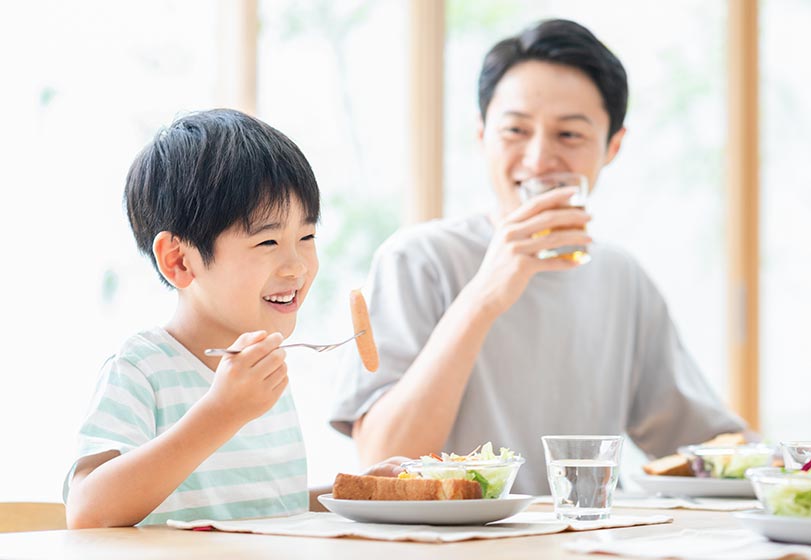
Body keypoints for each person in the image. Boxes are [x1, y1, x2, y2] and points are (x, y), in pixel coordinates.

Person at [329, 19, 746, 495]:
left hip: (589, 543)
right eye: (515, 130)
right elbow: (381, 458)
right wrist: (485, 294)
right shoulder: (418, 259)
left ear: (612, 147)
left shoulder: (621, 278)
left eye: (569, 135)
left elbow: (705, 445)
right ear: (482, 135)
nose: (538, 158)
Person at [64, 109, 404, 528]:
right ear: (179, 261)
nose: (296, 267)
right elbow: (86, 511)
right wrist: (221, 412)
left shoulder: (262, 374)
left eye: (307, 237)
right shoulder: (142, 368)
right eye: (267, 241)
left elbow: (266, 512)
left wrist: (352, 491)